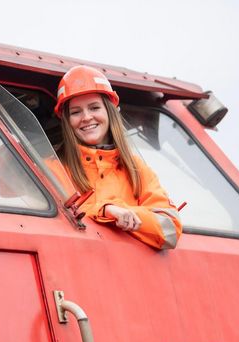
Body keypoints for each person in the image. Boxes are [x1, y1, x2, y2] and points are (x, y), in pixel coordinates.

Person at [47, 65, 182, 250]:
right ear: (67, 120)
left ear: (110, 112)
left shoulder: (136, 169)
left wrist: (126, 214)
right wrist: (107, 211)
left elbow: (170, 229)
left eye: (94, 108)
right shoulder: (54, 168)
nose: (86, 117)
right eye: (76, 112)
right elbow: (54, 220)